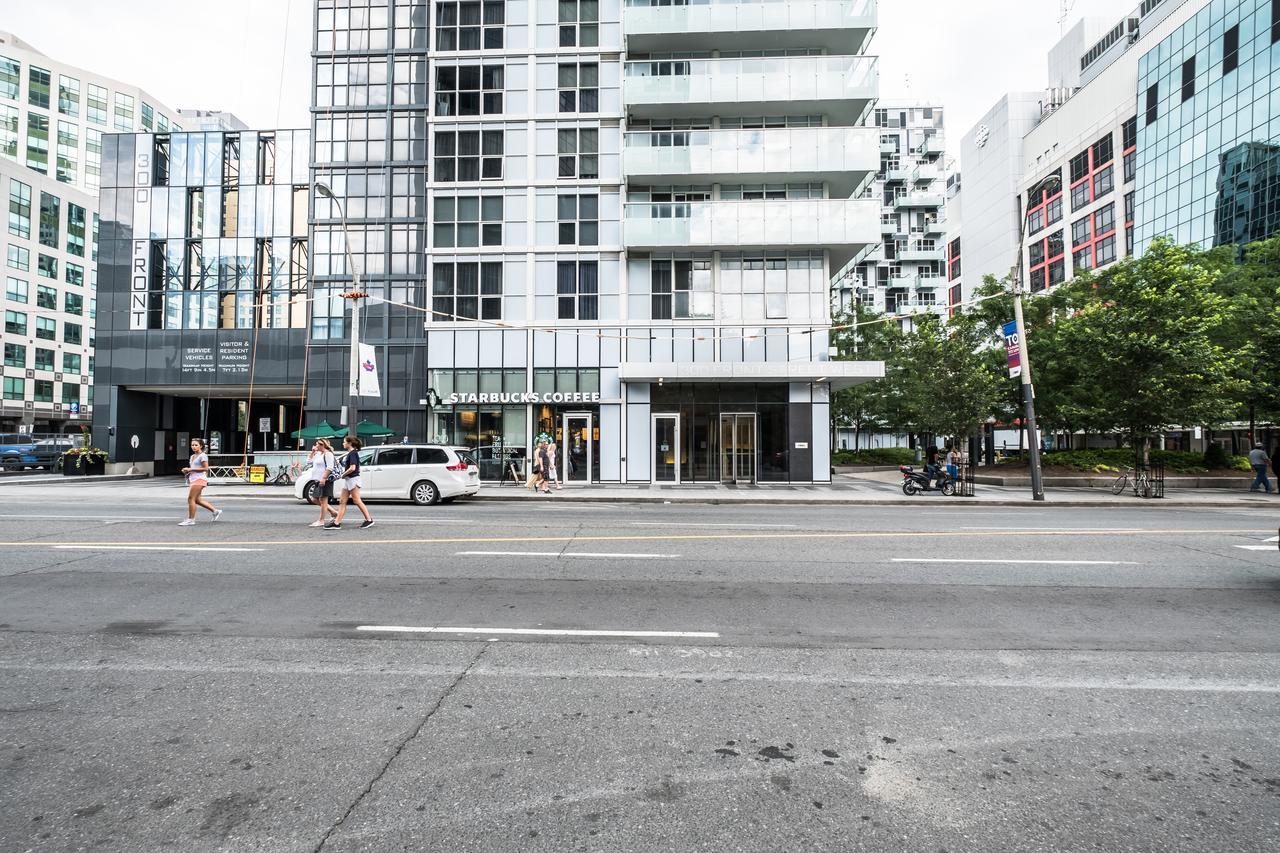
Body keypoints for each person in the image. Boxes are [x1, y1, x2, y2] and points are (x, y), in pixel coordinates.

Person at [327, 435, 374, 529]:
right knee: (342, 501)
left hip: (353, 479)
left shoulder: (353, 453)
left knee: (357, 500)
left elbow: (353, 468)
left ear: (349, 443)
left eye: (344, 442)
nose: (343, 443)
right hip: (349, 480)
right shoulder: (351, 453)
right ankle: (337, 523)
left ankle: (369, 520)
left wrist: (343, 475)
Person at [179, 437, 222, 526]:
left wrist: (190, 469)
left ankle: (191, 520)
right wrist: (187, 470)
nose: (193, 447)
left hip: (200, 479)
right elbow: (194, 469)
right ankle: (215, 511)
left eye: (196, 445)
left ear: (201, 446)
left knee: (190, 499)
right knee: (197, 500)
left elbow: (205, 469)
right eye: (192, 445)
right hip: (193, 479)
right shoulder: (192, 456)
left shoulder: (203, 456)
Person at [306, 438, 338, 528]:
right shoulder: (318, 454)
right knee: (314, 499)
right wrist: (312, 452)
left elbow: (330, 468)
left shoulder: (328, 454)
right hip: (317, 480)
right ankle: (334, 512)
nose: (315, 446)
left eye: (317, 444)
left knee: (323, 501)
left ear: (322, 445)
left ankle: (321, 520)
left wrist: (324, 478)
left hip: (325, 480)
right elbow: (308, 462)